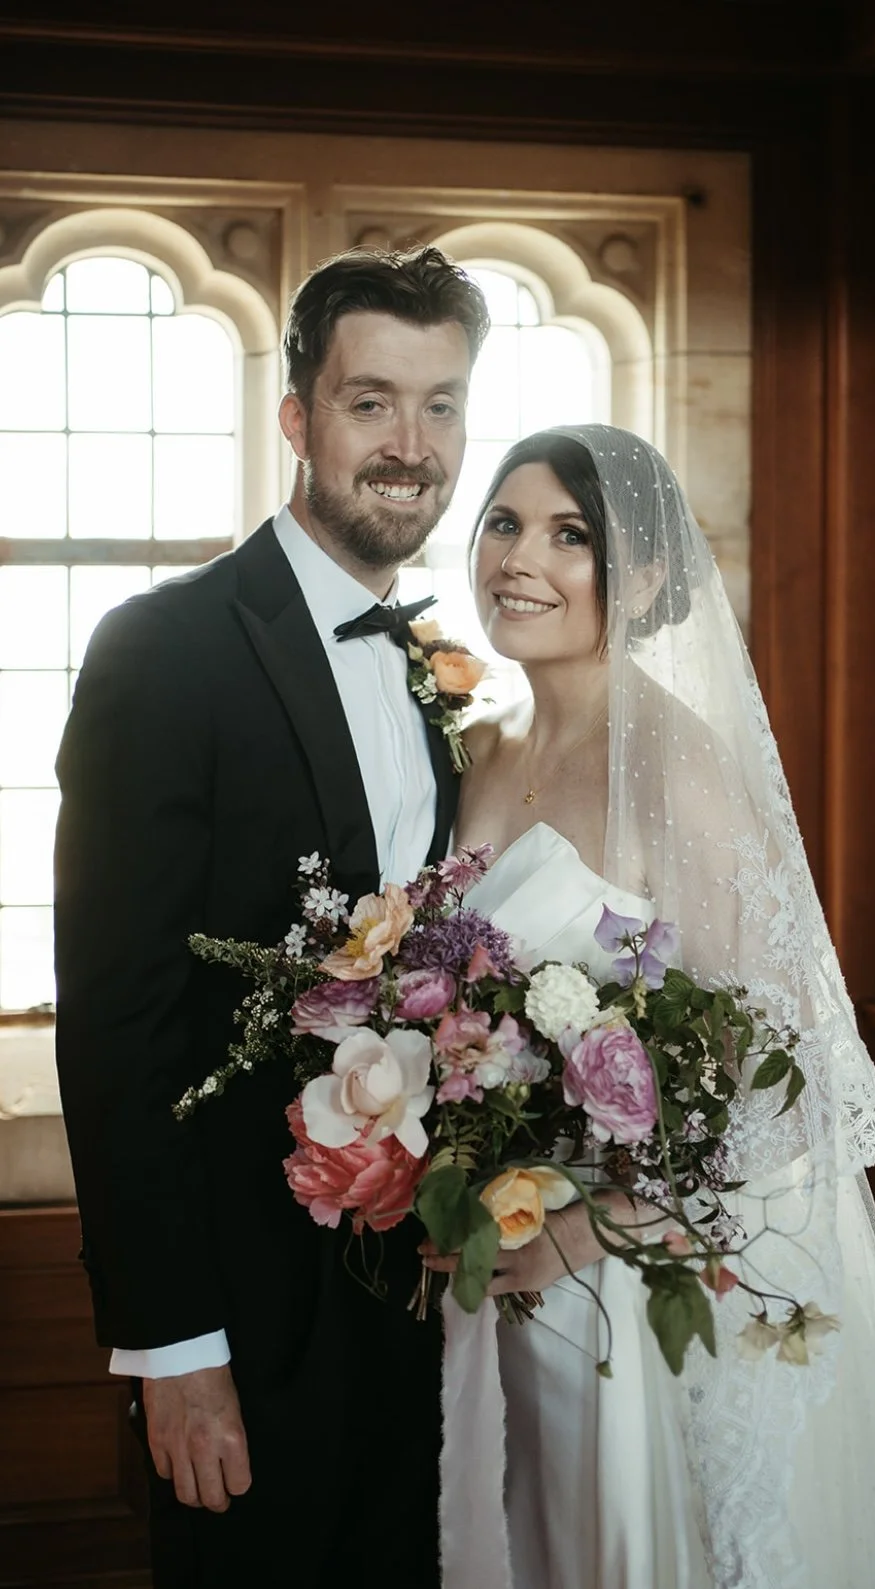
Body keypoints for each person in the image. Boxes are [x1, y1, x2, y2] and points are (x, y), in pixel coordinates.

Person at [434, 423, 875, 1588]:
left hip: (626, 1289)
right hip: (491, 1263)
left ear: (642, 577)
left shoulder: (671, 763)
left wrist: (593, 1225)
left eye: (568, 536)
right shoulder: (480, 742)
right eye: (502, 522)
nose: (517, 558)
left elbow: (792, 1077)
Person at [53, 245, 489, 1587]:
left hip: (432, 1309)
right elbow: (117, 1022)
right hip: (246, 1324)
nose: (408, 447)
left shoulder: (428, 664)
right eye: (370, 403)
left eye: (440, 405)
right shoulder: (161, 649)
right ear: (296, 419)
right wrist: (173, 1348)